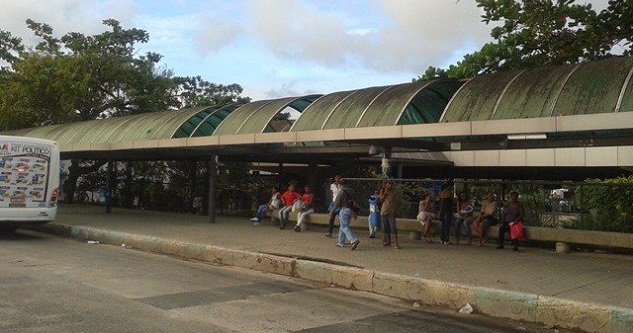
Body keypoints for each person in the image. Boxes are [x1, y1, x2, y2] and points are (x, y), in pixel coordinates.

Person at [328, 178, 360, 250]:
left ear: (340, 184)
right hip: (351, 210)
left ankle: (354, 240)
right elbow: (356, 202)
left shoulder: (342, 192)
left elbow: (337, 204)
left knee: (343, 227)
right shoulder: (352, 191)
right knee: (344, 225)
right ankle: (341, 242)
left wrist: (332, 211)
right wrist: (355, 212)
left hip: (344, 209)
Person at [379, 180, 400, 249]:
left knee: (393, 227)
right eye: (389, 184)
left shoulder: (394, 192)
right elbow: (381, 200)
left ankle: (396, 243)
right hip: (384, 211)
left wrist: (395, 210)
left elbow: (397, 201)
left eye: (391, 184)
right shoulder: (382, 191)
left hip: (391, 212)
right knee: (385, 227)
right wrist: (385, 194)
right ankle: (388, 241)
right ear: (385, 184)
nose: (390, 185)